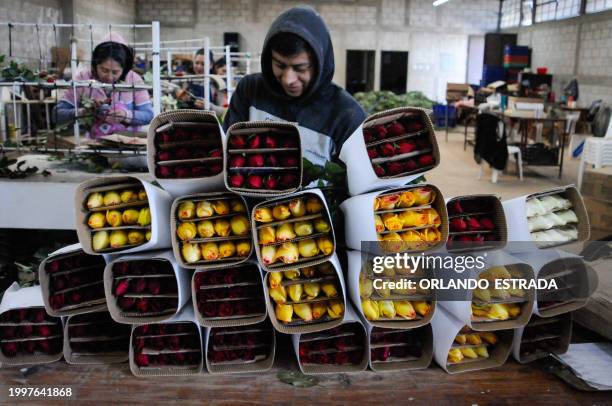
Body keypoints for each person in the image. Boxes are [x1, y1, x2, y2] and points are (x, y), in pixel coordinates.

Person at [223, 6, 366, 167]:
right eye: (280, 65)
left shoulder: (346, 116)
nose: (288, 79)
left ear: (320, 64)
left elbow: (356, 183)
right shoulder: (249, 91)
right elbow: (228, 153)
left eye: (300, 68)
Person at [54, 32, 153, 138]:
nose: (109, 77)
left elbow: (148, 115)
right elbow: (57, 115)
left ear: (124, 69)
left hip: (127, 143)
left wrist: (125, 115)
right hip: (92, 145)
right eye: (104, 70)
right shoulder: (83, 78)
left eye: (115, 72)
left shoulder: (134, 79)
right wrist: (83, 112)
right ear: (95, 64)